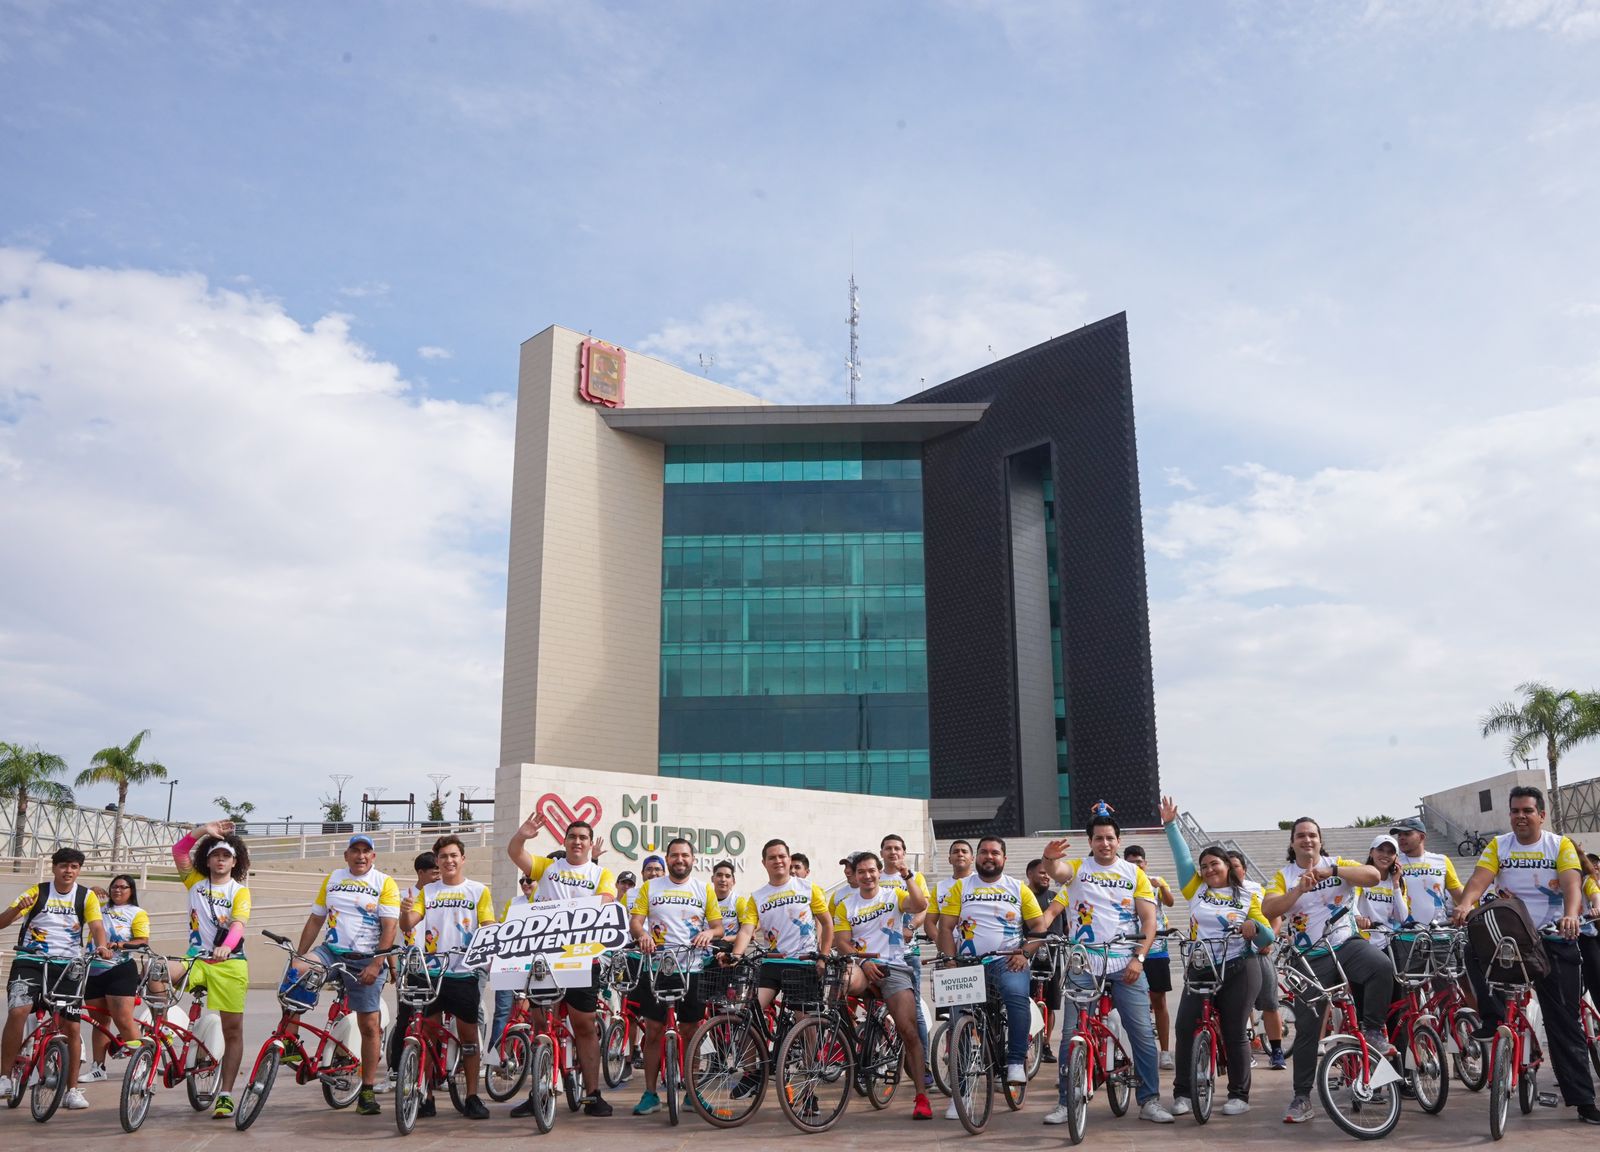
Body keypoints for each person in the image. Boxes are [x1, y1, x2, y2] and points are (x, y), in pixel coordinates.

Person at [1452, 786, 1600, 1124]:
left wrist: (1571, 915)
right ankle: (1492, 1018)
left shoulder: (1558, 845)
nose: (1520, 816)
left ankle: (1583, 1101)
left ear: (1541, 815)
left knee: (1564, 1023)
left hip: (1552, 938)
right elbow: (1478, 880)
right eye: (1515, 810)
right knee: (1472, 947)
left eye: (1527, 811)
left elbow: (1572, 884)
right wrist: (1465, 903)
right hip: (1513, 937)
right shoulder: (1499, 846)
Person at [1041, 806, 1175, 1125]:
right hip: (1084, 962)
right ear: (1090, 841)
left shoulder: (1135, 874)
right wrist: (1048, 858)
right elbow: (1056, 871)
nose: (1105, 843)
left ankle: (1149, 1100)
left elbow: (1149, 919)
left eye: (1110, 838)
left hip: (1125, 962)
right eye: (1098, 838)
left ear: (1118, 841)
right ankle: (1065, 1101)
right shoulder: (1076, 868)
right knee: (1073, 1032)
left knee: (1141, 1031)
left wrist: (1139, 957)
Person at [1261, 816, 1392, 1125]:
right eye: (1301, 836)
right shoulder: (1284, 875)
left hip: (1345, 945)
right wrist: (1297, 891)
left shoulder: (1338, 863)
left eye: (1313, 835)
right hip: (1308, 957)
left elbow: (1374, 875)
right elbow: (1269, 910)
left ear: (1320, 841)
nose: (1308, 840)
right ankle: (1302, 1097)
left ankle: (1373, 1031)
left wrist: (1332, 871)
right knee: (1308, 1028)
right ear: (1292, 843)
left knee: (1381, 966)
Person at [1161, 797, 1274, 1117]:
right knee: (1185, 1027)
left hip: (1241, 967)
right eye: (1205, 865)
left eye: (1216, 864)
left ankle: (1239, 1094)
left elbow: (1268, 935)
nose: (1209, 869)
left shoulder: (1249, 894)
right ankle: (1182, 1093)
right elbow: (1182, 858)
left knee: (1235, 1030)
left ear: (1228, 867)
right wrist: (1170, 824)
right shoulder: (1195, 889)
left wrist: (1255, 929)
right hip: (1202, 967)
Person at [506, 810, 618, 1118]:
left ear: (589, 842)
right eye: (572, 837)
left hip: (583, 958)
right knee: (541, 1025)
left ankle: (593, 1094)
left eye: (583, 837)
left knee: (584, 1026)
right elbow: (515, 853)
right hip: (545, 960)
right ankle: (538, 1091)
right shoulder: (547, 867)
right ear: (565, 841)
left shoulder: (599, 873)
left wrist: (572, 911)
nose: (577, 842)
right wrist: (522, 835)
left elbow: (606, 899)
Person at [937, 835, 1046, 1120]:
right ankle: (961, 1093)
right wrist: (950, 960)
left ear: (1004, 859)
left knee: (1015, 997)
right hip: (967, 964)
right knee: (958, 1021)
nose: (989, 856)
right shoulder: (961, 887)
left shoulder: (1018, 888)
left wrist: (1024, 952)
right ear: (977, 857)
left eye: (995, 853)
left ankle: (1015, 1062)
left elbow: (1038, 927)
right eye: (984, 852)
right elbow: (946, 928)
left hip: (1005, 961)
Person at [292, 832, 401, 1116]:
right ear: (346, 855)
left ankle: (366, 1090)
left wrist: (377, 965)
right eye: (356, 850)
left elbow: (390, 927)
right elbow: (316, 918)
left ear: (373, 856)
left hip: (366, 958)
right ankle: (290, 1041)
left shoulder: (384, 883)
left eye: (366, 851)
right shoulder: (333, 879)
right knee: (296, 972)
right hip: (332, 951)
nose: (361, 856)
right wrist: (300, 954)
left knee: (369, 1026)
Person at [0, 847, 112, 1109]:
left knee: (71, 1027)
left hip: (68, 966)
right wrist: (18, 909)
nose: (68, 871)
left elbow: (96, 926)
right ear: (54, 868)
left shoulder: (86, 896)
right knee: (19, 1011)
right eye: (63, 866)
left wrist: (102, 945)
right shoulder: (37, 891)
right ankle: (4, 1077)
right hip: (31, 960)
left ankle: (72, 1090)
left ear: (78, 870)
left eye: (73, 866)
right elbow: (2, 922)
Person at [399, 835, 494, 1120]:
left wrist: (488, 941)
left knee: (468, 1037)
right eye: (443, 856)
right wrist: (405, 914)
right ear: (437, 861)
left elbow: (487, 924)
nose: (449, 860)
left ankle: (473, 1097)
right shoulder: (427, 892)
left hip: (463, 973)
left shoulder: (479, 890)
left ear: (462, 859)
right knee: (426, 1034)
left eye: (454, 855)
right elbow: (408, 925)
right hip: (429, 972)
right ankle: (425, 1095)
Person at [834, 850, 932, 1120]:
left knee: (908, 1030)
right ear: (854, 875)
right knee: (839, 983)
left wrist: (907, 875)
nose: (867, 876)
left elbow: (920, 904)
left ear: (879, 872)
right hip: (863, 966)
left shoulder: (894, 895)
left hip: (893, 966)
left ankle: (921, 1095)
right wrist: (862, 962)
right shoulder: (846, 905)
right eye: (861, 871)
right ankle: (851, 1036)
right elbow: (841, 941)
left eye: (871, 871)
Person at [627, 837, 720, 1116]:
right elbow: (635, 922)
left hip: (692, 969)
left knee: (691, 1032)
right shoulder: (649, 887)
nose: (680, 860)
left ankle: (692, 1094)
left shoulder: (704, 889)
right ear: (667, 859)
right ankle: (650, 1094)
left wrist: (708, 933)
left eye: (685, 855)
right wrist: (642, 935)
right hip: (657, 969)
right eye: (675, 855)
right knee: (653, 1031)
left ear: (693, 859)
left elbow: (718, 928)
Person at [169, 819, 252, 1117]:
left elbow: (238, 925)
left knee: (233, 1029)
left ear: (234, 861)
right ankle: (161, 1033)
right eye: (215, 854)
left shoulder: (239, 891)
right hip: (196, 959)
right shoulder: (194, 882)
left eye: (226, 855)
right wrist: (205, 830)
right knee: (158, 976)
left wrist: (227, 946)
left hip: (230, 964)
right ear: (208, 858)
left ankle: (226, 1094)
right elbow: (179, 850)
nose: (220, 859)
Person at [729, 838, 834, 1013]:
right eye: (772, 858)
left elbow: (827, 923)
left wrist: (823, 956)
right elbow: (747, 930)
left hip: (803, 962)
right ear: (764, 863)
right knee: (749, 1014)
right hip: (772, 962)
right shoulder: (757, 896)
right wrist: (736, 955)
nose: (777, 861)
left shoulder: (808, 888)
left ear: (789, 859)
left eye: (781, 856)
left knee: (805, 1022)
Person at [81, 874, 148, 1083]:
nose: (118, 890)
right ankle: (98, 1068)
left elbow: (142, 941)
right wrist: (92, 886)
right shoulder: (99, 906)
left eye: (123, 887)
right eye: (114, 887)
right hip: (93, 970)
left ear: (131, 891)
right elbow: (85, 898)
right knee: (99, 1021)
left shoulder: (137, 913)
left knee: (123, 1019)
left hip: (120, 969)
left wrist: (119, 945)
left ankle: (142, 1064)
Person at [385, 851, 439, 1091]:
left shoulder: (442, 895)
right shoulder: (405, 896)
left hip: (437, 967)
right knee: (405, 1018)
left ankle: (433, 1074)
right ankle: (395, 1070)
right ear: (421, 873)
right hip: (411, 967)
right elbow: (390, 931)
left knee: (433, 1021)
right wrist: (392, 964)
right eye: (434, 872)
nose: (439, 876)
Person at [878, 833, 932, 1074]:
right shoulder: (874, 878)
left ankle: (923, 1064)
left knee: (915, 1010)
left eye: (897, 848)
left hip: (907, 954)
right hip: (879, 955)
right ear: (881, 853)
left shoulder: (915, 877)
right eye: (888, 848)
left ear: (904, 852)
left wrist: (910, 927)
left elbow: (923, 908)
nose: (893, 852)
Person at [1228, 849, 1286, 1069]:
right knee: (1239, 1006)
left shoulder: (1256, 890)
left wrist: (1268, 940)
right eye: (1229, 866)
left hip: (1259, 954)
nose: (1233, 870)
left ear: (1244, 868)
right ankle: (1245, 1050)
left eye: (1236, 866)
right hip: (1234, 956)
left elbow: (1275, 917)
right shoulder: (1218, 891)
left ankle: (1277, 1051)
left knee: (1270, 1004)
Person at [1124, 843, 1176, 1070]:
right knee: (1132, 1006)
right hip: (1128, 950)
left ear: (1145, 863)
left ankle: (1165, 1051)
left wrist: (1163, 886)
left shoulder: (1155, 881)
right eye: (1131, 862)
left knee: (1158, 1000)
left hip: (1156, 950)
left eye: (1139, 862)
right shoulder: (1122, 882)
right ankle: (1133, 1052)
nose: (1136, 866)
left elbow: (1171, 902)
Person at [487, 873, 534, 1054]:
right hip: (510, 963)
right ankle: (495, 1057)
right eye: (521, 881)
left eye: (529, 880)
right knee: (502, 1012)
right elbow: (501, 929)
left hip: (535, 966)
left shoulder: (548, 901)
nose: (524, 884)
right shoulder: (513, 902)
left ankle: (527, 1056)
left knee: (529, 1015)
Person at [1389, 816, 1463, 926]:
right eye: (1399, 835)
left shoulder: (1442, 860)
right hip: (1406, 933)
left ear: (1422, 837)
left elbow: (1460, 895)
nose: (1401, 838)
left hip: (1439, 930)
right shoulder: (1393, 863)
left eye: (1407, 834)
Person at [1354, 834, 1410, 952]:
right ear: (1371, 852)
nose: (1385, 855)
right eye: (1380, 850)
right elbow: (1351, 904)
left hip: (1388, 943)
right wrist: (1358, 917)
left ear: (1396, 858)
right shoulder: (1360, 875)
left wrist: (1395, 884)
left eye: (1390, 852)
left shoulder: (1399, 882)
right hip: (1362, 941)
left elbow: (1402, 917)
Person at [710, 860, 740, 941]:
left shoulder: (738, 901)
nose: (723, 879)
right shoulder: (704, 900)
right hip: (704, 951)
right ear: (712, 879)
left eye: (727, 876)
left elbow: (748, 932)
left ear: (733, 881)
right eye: (719, 875)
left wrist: (728, 939)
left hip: (731, 951)